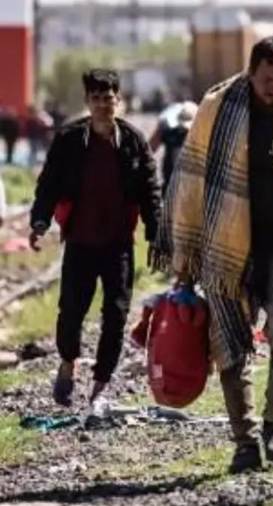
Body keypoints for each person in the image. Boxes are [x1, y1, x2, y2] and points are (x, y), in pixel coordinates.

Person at [155, 36, 273, 474]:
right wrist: (184, 262)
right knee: (229, 344)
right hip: (226, 249)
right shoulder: (218, 107)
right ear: (251, 72)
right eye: (268, 80)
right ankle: (244, 439)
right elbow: (188, 179)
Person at [29, 69, 161, 407]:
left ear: (119, 100)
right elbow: (49, 183)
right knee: (71, 311)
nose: (103, 105)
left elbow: (150, 191)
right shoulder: (70, 140)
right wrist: (40, 220)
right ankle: (67, 365)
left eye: (109, 98)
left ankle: (101, 385)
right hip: (81, 242)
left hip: (118, 244)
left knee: (115, 315)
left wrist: (156, 233)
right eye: (97, 99)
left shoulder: (133, 141)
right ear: (88, 102)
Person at [149, 101, 198, 193]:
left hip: (191, 186)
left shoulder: (200, 133)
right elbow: (149, 150)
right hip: (170, 184)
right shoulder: (168, 130)